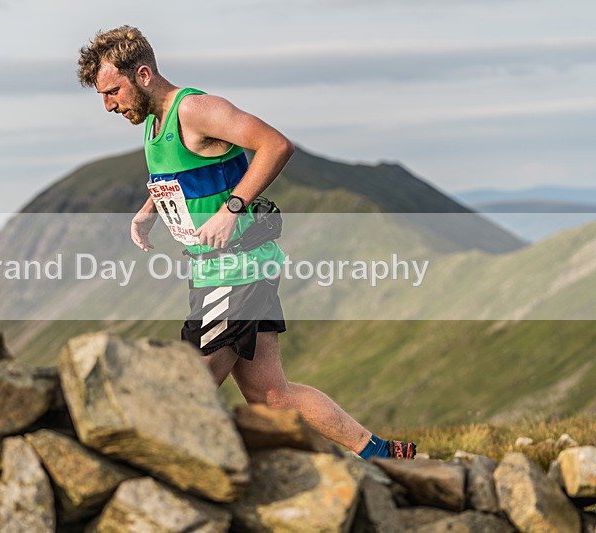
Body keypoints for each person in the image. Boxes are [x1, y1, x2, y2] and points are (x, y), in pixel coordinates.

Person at [77, 26, 415, 459]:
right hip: (215, 269)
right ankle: (383, 453)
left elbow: (275, 145)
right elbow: (180, 176)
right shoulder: (153, 123)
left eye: (112, 91)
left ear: (142, 74)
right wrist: (149, 211)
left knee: (189, 384)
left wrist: (232, 208)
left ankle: (166, 480)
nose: (108, 105)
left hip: (237, 270)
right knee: (271, 394)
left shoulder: (196, 109)